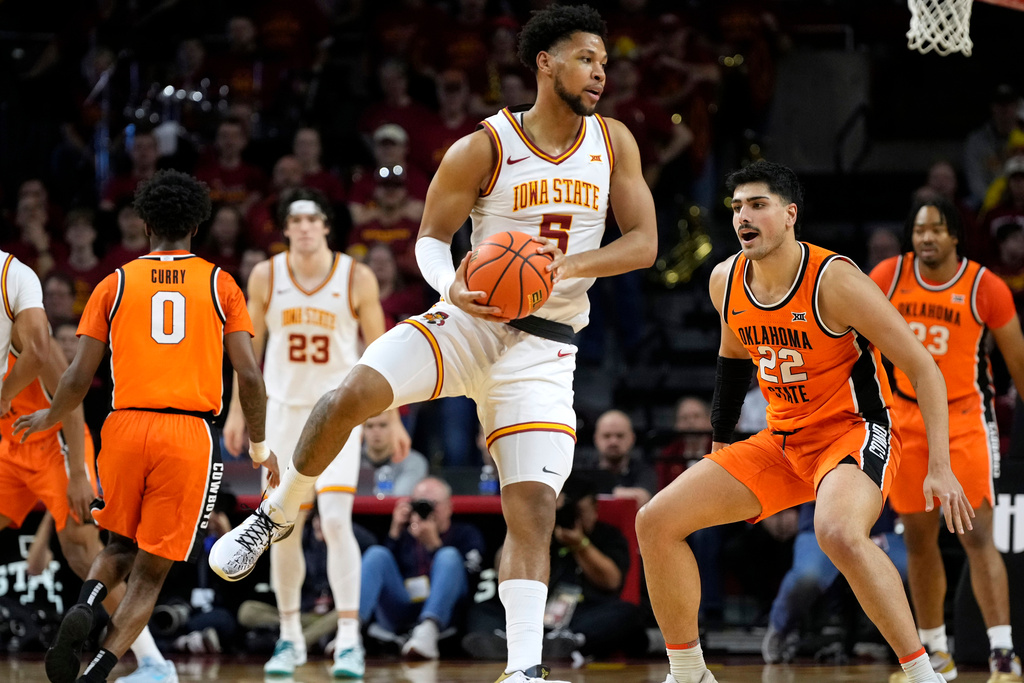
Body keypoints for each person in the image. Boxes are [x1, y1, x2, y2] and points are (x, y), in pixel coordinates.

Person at [211, 6, 658, 683]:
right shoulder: (485, 144)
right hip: (469, 322)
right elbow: (427, 237)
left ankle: (524, 668)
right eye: (585, 57)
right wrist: (456, 284)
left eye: (603, 61)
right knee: (349, 393)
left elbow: (644, 243)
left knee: (533, 506)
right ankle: (277, 510)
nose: (600, 71)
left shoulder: (614, 141)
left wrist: (562, 268)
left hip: (546, 350)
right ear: (544, 61)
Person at [636, 160, 973, 683]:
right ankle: (689, 674)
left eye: (757, 204)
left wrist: (942, 466)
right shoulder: (725, 279)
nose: (743, 217)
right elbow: (731, 363)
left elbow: (923, 367)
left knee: (835, 531)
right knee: (655, 522)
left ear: (790, 214)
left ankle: (922, 674)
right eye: (736, 207)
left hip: (853, 433)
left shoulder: (834, 280)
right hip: (781, 438)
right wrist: (721, 446)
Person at [13, 169, 278, 683]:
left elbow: (77, 374)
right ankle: (97, 673)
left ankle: (87, 601)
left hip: (124, 427)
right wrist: (260, 446)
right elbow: (248, 372)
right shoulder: (221, 284)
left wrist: (49, 413)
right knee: (151, 574)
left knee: (115, 548)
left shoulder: (113, 284)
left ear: (143, 223)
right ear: (198, 225)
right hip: (188, 434)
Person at [221, 186, 388, 679]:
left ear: (327, 225)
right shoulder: (266, 275)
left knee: (336, 522)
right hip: (282, 414)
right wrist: (238, 413)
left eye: (313, 218)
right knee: (281, 530)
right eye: (296, 220)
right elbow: (247, 352)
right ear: (285, 227)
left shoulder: (355, 276)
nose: (306, 227)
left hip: (337, 413)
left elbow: (381, 351)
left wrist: (391, 417)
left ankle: (349, 641)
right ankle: (290, 638)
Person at [869, 196, 1024, 683]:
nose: (927, 238)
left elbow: (1018, 364)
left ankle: (1003, 653)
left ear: (955, 235)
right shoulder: (888, 277)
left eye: (936, 229)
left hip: (964, 419)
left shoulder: (984, 285)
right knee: (919, 540)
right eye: (919, 231)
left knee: (978, 536)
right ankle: (935, 652)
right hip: (905, 421)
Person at [0, 330, 178, 683]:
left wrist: (79, 473)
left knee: (82, 551)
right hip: (11, 447)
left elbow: (72, 397)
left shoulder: (25, 331)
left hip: (56, 445)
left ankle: (155, 664)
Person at [462, 473, 647, 663]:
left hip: (581, 614)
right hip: (532, 612)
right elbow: (501, 568)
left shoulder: (608, 535)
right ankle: (504, 642)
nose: (570, 517)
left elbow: (611, 581)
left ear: (594, 507)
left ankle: (566, 642)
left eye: (577, 511)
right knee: (480, 610)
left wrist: (580, 545)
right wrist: (533, 524)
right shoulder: (538, 528)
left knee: (627, 612)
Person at [762, 502, 908, 664]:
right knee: (808, 576)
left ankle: (919, 639)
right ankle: (781, 627)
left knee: (909, 568)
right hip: (819, 526)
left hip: (877, 528)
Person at [360, 476, 485, 660]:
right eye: (419, 503)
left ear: (449, 506)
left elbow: (472, 579)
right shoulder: (403, 534)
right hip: (403, 605)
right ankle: (349, 632)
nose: (427, 509)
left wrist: (435, 545)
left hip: (446, 613)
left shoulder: (466, 533)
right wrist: (395, 532)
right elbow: (380, 576)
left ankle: (428, 630)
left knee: (449, 555)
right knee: (376, 554)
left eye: (433, 503)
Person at [583, 409, 657, 507]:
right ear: (596, 439)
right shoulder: (585, 472)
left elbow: (642, 498)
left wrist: (599, 494)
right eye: (607, 436)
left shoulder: (645, 471)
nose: (613, 442)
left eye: (620, 436)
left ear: (632, 438)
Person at [357, 412, 429, 498]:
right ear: (362, 430)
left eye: (383, 425)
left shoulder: (413, 461)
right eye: (369, 426)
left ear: (396, 428)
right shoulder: (351, 461)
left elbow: (399, 499)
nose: (376, 431)